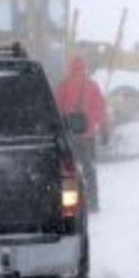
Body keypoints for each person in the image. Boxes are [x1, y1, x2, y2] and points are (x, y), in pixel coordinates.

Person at [56, 57, 108, 211]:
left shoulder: (63, 86)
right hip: (88, 137)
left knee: (69, 171)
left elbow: (57, 110)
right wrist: (105, 129)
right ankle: (93, 203)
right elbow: (101, 110)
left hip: (70, 137)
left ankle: (71, 205)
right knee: (89, 170)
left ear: (70, 68)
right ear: (84, 68)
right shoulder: (92, 86)